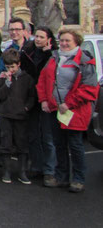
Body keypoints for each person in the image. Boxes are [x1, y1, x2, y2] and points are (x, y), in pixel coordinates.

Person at [36, 29, 98, 193]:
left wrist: (69, 104)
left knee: (75, 145)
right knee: (59, 144)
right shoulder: (54, 58)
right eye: (61, 40)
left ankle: (78, 179)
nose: (63, 43)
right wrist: (43, 99)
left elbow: (89, 88)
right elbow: (43, 80)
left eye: (67, 41)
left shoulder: (85, 62)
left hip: (74, 111)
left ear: (76, 42)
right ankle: (62, 177)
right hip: (55, 109)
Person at [0, 49, 36, 184]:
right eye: (8, 67)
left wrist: (27, 107)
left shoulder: (27, 78)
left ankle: (22, 172)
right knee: (6, 143)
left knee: (22, 144)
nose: (10, 70)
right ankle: (6, 171)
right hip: (6, 114)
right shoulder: (3, 77)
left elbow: (32, 96)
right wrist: (6, 82)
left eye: (12, 67)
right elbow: (1, 95)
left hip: (21, 115)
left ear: (18, 64)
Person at [24, 26, 57, 180]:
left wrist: (48, 54)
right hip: (32, 99)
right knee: (33, 135)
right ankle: (36, 165)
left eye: (42, 37)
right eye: (36, 36)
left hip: (47, 100)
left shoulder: (53, 56)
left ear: (49, 40)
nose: (38, 39)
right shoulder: (27, 53)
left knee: (48, 137)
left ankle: (49, 170)